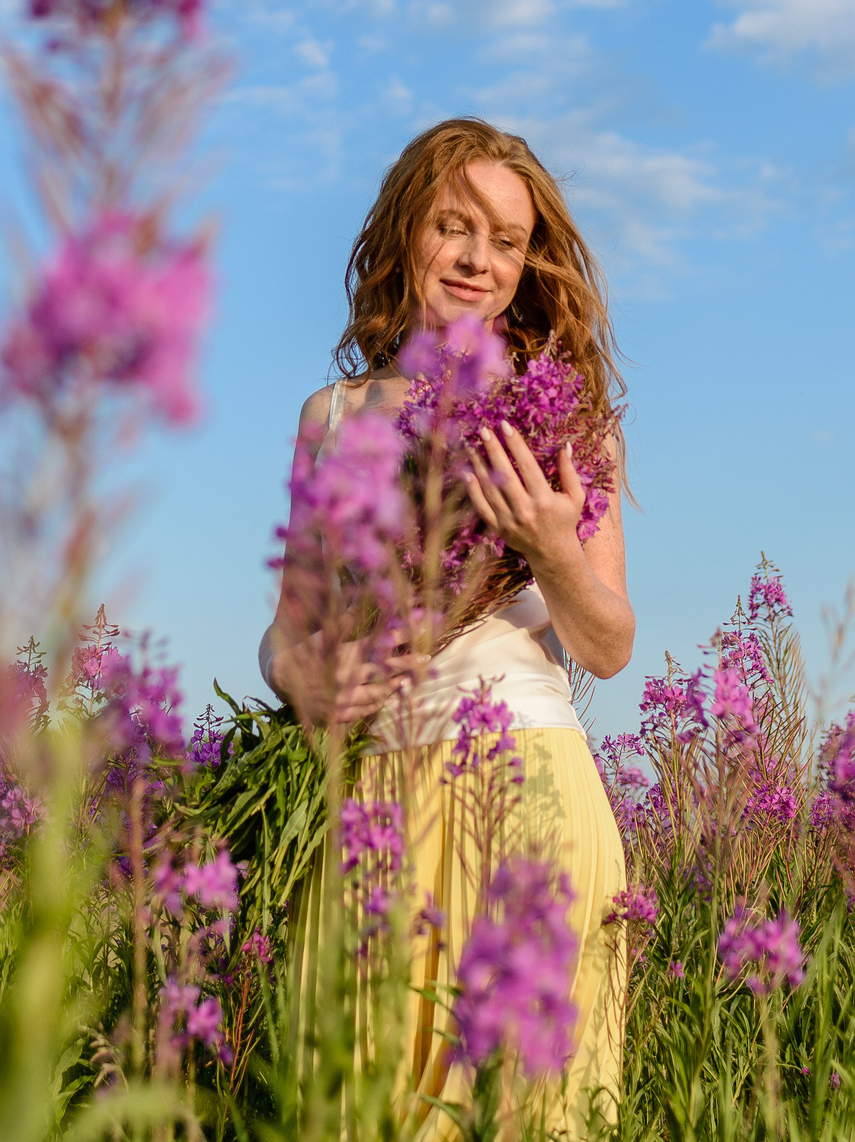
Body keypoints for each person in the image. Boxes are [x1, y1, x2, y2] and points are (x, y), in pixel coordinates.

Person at [260, 116, 633, 1133]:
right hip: (370, 789)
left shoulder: (566, 416)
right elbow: (285, 629)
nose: (476, 259)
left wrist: (553, 549)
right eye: (453, 226)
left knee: (521, 1107)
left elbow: (606, 642)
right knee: (353, 1101)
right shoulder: (330, 416)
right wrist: (308, 680)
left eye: (506, 240)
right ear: (403, 233)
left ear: (529, 264)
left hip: (524, 780)